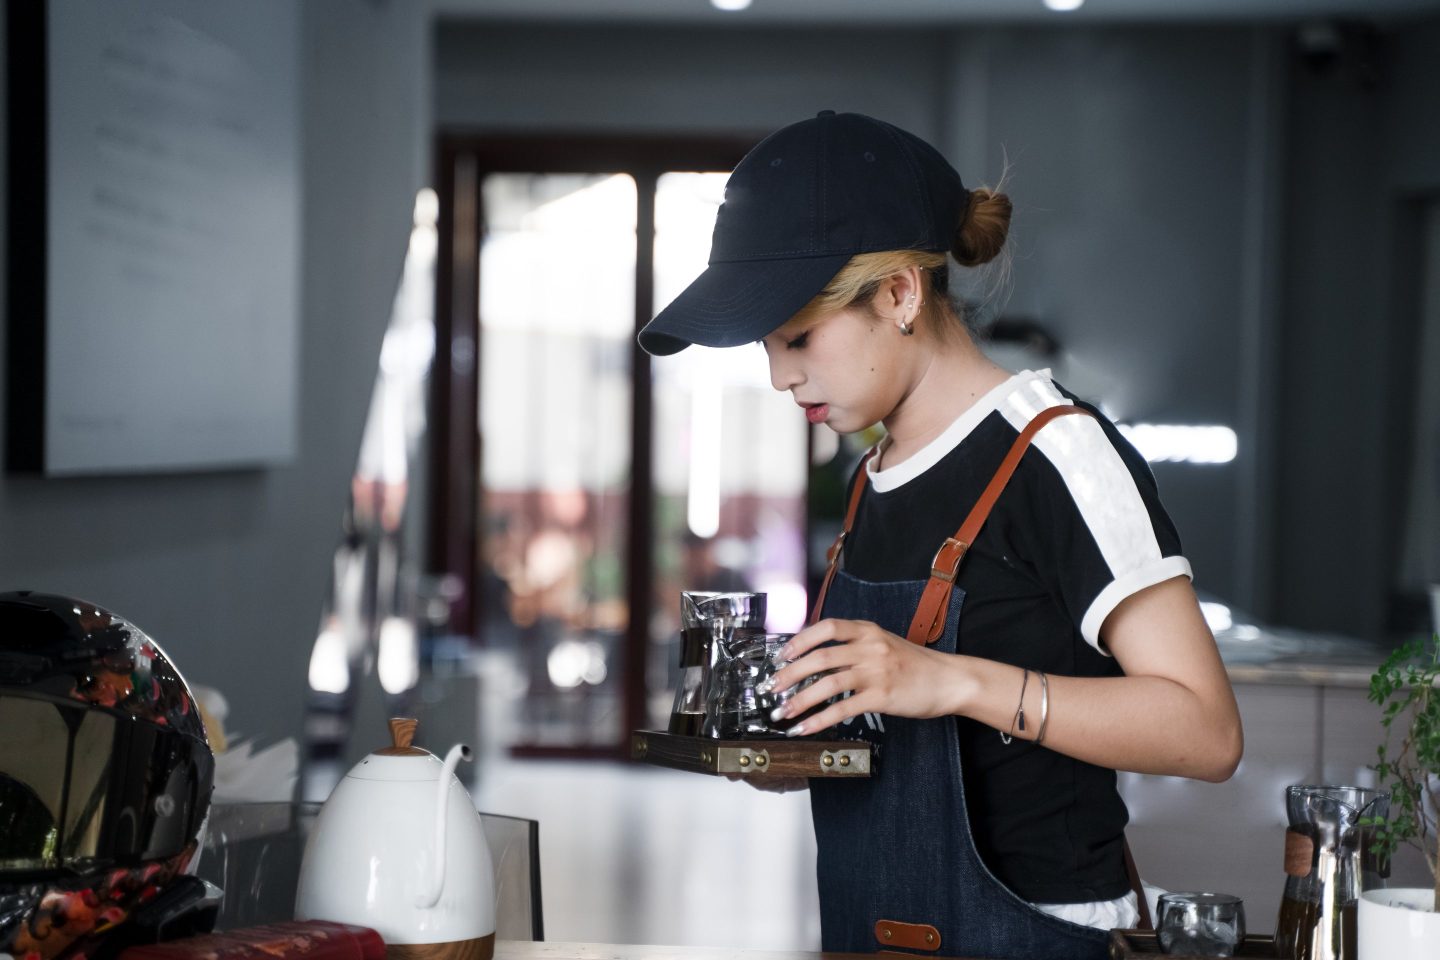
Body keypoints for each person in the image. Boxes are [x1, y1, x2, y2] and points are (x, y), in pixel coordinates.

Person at [638, 111, 1243, 960]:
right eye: (769, 349)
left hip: (1034, 935)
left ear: (900, 294)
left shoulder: (1055, 452)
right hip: (867, 930)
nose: (780, 376)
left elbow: (1207, 733)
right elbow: (890, 740)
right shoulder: (870, 479)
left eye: (799, 337)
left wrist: (951, 680)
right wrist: (797, 751)